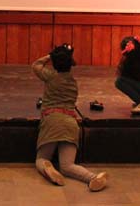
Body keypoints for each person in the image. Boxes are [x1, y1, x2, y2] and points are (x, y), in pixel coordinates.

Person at [32, 44, 107, 192]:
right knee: (67, 166)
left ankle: (47, 167)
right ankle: (93, 178)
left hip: (52, 121)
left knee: (41, 158)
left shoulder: (51, 77)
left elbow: (36, 65)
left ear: (55, 62)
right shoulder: (73, 83)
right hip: (70, 123)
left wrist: (51, 56)